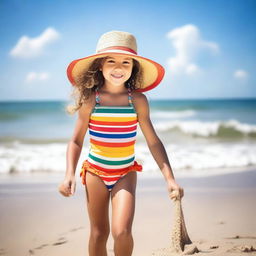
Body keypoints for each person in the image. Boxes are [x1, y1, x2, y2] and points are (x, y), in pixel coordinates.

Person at [58, 30, 184, 256]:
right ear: (100, 66)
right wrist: (69, 174)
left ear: (133, 67)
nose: (119, 67)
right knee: (98, 233)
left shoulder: (137, 101)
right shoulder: (91, 100)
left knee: (122, 232)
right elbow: (76, 141)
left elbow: (154, 142)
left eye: (126, 62)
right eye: (111, 61)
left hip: (125, 172)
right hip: (95, 172)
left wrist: (170, 178)